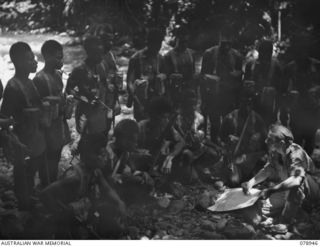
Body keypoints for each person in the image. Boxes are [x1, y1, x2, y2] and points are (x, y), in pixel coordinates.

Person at [40, 133, 126, 239]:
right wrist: (61, 214)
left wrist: (119, 202)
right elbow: (45, 194)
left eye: (105, 154)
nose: (105, 158)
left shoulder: (95, 172)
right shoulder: (74, 177)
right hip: (67, 224)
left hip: (80, 217)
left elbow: (107, 189)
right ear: (86, 155)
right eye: (100, 154)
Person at [1, 42, 48, 209]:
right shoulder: (13, 87)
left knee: (32, 169)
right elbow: (4, 117)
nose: (35, 62)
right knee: (22, 172)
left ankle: (30, 196)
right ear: (19, 63)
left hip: (35, 135)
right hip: (22, 138)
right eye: (30, 60)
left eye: (34, 59)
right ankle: (23, 206)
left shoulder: (29, 82)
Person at [242, 124, 320, 225]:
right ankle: (291, 211)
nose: (266, 141)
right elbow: (267, 169)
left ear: (282, 143)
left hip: (307, 190)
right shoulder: (275, 152)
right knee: (263, 209)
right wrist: (251, 182)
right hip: (286, 188)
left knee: (295, 189)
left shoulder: (296, 154)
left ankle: (286, 221)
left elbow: (296, 181)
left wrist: (271, 190)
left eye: (270, 139)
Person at [33, 40, 71, 184]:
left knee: (56, 154)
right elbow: (36, 103)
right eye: (57, 58)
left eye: (61, 57)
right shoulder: (39, 79)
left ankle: (52, 183)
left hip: (59, 123)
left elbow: (62, 95)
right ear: (47, 57)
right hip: (47, 125)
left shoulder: (58, 74)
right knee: (47, 157)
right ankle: (46, 185)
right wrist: (51, 101)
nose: (61, 61)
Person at [201, 29, 243, 142]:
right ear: (219, 40)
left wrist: (238, 101)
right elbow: (202, 78)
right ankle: (214, 147)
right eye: (224, 44)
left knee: (228, 127)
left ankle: (226, 149)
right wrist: (203, 100)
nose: (226, 47)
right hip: (213, 97)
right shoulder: (209, 54)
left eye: (229, 44)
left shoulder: (237, 56)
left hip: (229, 97)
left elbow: (240, 81)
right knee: (214, 126)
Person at [219, 92, 267, 186]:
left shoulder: (257, 119)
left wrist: (258, 138)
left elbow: (266, 140)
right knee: (234, 181)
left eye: (249, 104)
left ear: (252, 105)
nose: (246, 107)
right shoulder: (230, 118)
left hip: (251, 157)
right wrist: (229, 140)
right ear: (239, 103)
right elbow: (221, 136)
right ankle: (238, 174)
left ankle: (251, 176)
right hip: (235, 158)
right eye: (244, 103)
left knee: (263, 163)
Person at [103, 119, 155, 205]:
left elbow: (129, 170)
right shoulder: (107, 154)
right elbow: (105, 180)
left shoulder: (125, 153)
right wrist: (124, 178)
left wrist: (142, 174)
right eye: (134, 141)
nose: (136, 145)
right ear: (124, 140)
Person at [66, 36, 110, 137]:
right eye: (97, 54)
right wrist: (84, 98)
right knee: (86, 141)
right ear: (88, 53)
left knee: (101, 140)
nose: (101, 57)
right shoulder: (79, 70)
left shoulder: (102, 66)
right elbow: (69, 89)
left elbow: (105, 85)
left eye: (102, 53)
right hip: (85, 112)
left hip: (101, 111)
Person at [173, 89, 220, 183]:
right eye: (189, 104)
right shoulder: (177, 118)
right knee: (187, 156)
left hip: (198, 149)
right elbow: (175, 140)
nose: (192, 107)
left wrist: (214, 146)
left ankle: (197, 166)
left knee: (215, 154)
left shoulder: (200, 118)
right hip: (182, 150)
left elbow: (204, 138)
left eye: (194, 104)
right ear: (183, 104)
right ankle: (188, 171)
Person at [138, 97, 185, 177]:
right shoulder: (141, 127)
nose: (165, 120)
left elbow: (181, 141)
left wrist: (170, 157)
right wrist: (142, 152)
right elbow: (129, 149)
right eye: (162, 117)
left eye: (166, 117)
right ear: (152, 115)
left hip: (159, 161)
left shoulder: (166, 125)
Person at [127, 28, 166, 121]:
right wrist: (133, 97)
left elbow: (165, 73)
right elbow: (129, 82)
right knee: (142, 127)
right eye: (155, 44)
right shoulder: (135, 58)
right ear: (148, 43)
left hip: (156, 99)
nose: (158, 48)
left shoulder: (161, 58)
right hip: (141, 100)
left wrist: (162, 76)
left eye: (159, 44)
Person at [244, 39, 284, 125]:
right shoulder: (250, 64)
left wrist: (275, 111)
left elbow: (280, 91)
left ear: (270, 53)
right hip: (252, 104)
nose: (265, 56)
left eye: (268, 53)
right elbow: (244, 86)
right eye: (263, 53)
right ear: (259, 52)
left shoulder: (276, 66)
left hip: (268, 106)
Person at [163, 26, 196, 107]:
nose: (184, 44)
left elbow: (194, 73)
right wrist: (171, 77)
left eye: (186, 42)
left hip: (189, 90)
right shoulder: (168, 56)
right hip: (174, 91)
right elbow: (165, 77)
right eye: (182, 42)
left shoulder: (192, 53)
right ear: (176, 40)